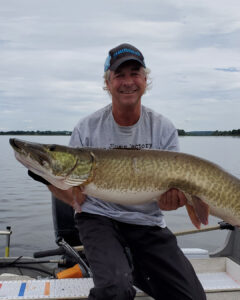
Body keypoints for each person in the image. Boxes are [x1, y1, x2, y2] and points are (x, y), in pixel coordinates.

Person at [48, 43, 206, 299]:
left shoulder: (164, 129)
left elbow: (166, 203)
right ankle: (120, 267)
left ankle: (128, 264)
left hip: (146, 223)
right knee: (115, 290)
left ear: (145, 80)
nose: (128, 82)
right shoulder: (87, 128)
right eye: (119, 75)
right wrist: (52, 183)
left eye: (134, 73)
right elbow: (71, 192)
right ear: (108, 83)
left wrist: (173, 201)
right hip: (98, 218)